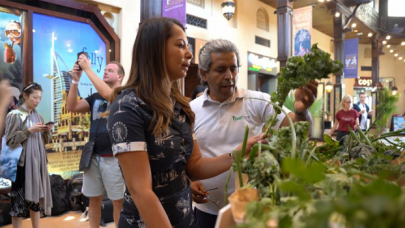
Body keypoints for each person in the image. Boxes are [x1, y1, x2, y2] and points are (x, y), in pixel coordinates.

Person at [107, 17, 266, 228]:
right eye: (181, 45)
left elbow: (194, 166)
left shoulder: (179, 106)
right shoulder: (127, 107)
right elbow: (140, 191)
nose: (189, 54)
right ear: (155, 49)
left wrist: (238, 153)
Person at [189, 39, 318, 228]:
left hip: (253, 211)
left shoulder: (257, 101)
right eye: (221, 69)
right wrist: (189, 181)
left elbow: (296, 131)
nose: (229, 76)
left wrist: (301, 112)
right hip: (208, 212)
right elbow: (184, 158)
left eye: (233, 69)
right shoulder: (190, 111)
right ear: (203, 74)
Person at [66, 58, 125, 228]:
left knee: (117, 202)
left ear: (120, 76)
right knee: (93, 201)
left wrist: (87, 69)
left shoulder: (123, 93)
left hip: (115, 157)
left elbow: (110, 95)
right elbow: (71, 106)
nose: (105, 71)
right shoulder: (95, 97)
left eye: (110, 70)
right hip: (93, 156)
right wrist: (76, 79)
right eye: (105, 69)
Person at [4, 82, 53, 228]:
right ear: (25, 96)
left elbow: (45, 142)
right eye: (34, 97)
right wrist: (29, 131)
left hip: (37, 163)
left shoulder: (38, 116)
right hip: (21, 165)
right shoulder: (15, 115)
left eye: (39, 98)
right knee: (18, 204)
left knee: (35, 202)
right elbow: (10, 140)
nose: (37, 101)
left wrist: (46, 131)